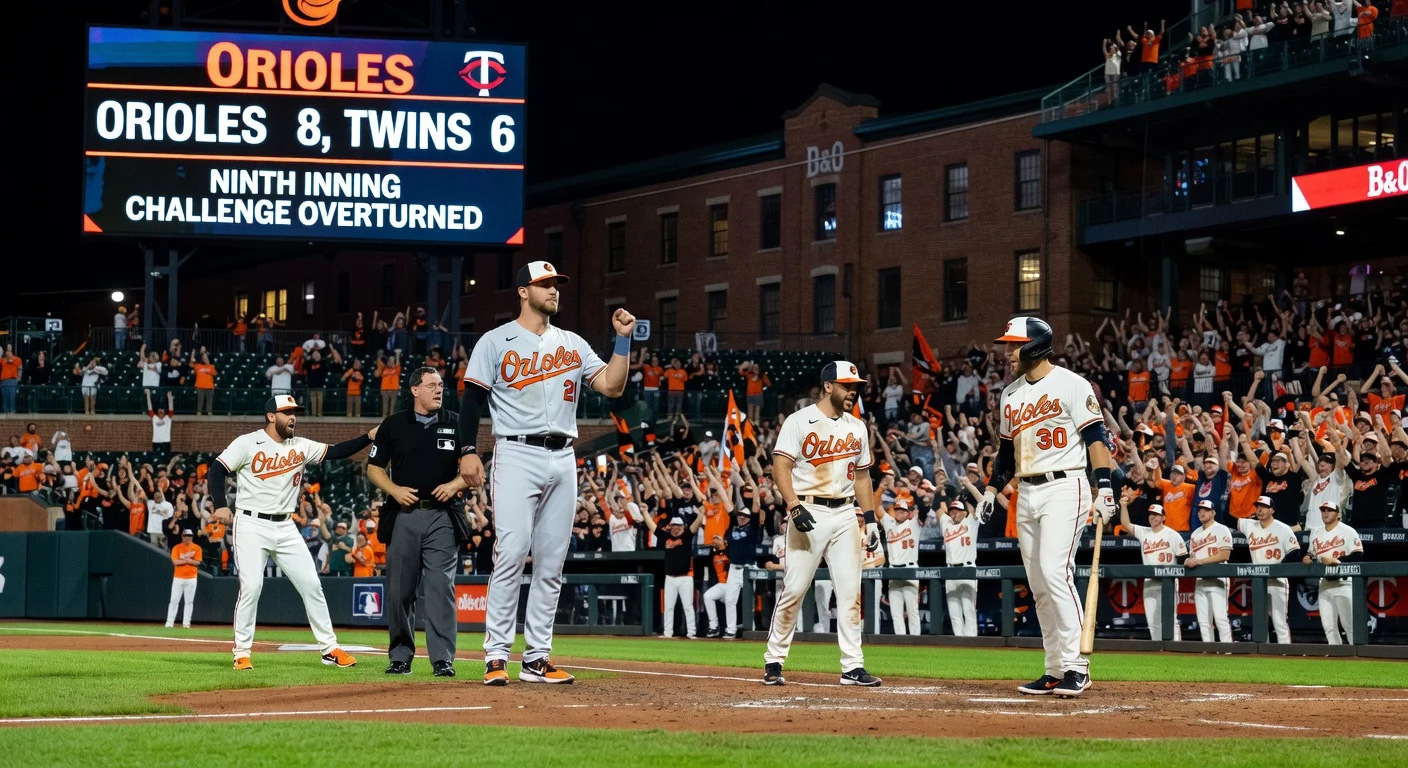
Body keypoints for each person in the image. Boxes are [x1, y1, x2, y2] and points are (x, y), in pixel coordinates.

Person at [457, 260, 634, 686]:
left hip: (563, 456)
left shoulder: (571, 342)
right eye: (545, 284)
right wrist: (466, 450)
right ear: (523, 291)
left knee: (552, 565)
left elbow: (611, 386)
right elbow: (471, 402)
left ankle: (536, 659)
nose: (554, 290)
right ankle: (496, 656)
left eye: (557, 283)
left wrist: (623, 343)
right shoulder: (496, 341)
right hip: (516, 453)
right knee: (512, 554)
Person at [977, 316, 1116, 698]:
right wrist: (991, 491)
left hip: (1065, 485)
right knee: (1039, 585)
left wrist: (1104, 488)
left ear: (1036, 346)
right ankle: (1055, 668)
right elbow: (1007, 451)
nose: (1007, 353)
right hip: (1027, 491)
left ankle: (1078, 666)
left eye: (1013, 345)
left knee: (1056, 573)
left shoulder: (1072, 384)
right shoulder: (1010, 394)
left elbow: (1096, 439)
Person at [210, 394, 375, 670]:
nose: (293, 417)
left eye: (295, 412)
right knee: (251, 587)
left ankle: (329, 648)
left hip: (286, 525)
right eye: (287, 412)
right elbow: (216, 470)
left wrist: (368, 436)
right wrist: (219, 505)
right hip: (250, 523)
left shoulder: (300, 445)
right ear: (271, 416)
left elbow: (336, 451)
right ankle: (241, 652)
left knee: (312, 584)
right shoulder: (248, 442)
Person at [763, 360, 881, 687]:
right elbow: (780, 466)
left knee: (849, 593)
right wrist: (793, 505)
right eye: (847, 386)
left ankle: (852, 666)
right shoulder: (799, 421)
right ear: (828, 385)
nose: (852, 392)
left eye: (855, 386)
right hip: (809, 511)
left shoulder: (857, 427)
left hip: (845, 514)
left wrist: (869, 520)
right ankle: (774, 659)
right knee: (796, 588)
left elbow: (861, 477)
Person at [366, 367, 469, 678]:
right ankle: (400, 656)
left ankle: (442, 659)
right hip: (403, 516)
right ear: (414, 390)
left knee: (441, 589)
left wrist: (454, 485)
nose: (439, 390)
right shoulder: (393, 425)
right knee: (399, 591)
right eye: (431, 385)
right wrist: (394, 489)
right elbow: (374, 468)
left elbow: (473, 469)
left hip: (442, 515)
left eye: (440, 385)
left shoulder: (456, 422)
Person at [1238, 495, 1301, 644]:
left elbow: (1295, 552)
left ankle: (1285, 652)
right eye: (1258, 506)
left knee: (1279, 620)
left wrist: (1279, 567)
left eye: (1264, 507)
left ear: (1272, 510)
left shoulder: (1283, 528)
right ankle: (1262, 652)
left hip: (1277, 580)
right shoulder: (1250, 525)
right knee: (1260, 619)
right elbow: (1229, 519)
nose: (1259, 509)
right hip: (1259, 582)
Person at [1120, 499, 1187, 641]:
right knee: (1152, 622)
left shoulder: (1173, 535)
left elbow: (1183, 561)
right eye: (1151, 514)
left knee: (1170, 618)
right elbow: (1125, 524)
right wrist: (1124, 506)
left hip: (1167, 582)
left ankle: (1176, 649)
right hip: (1150, 582)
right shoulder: (1144, 532)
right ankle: (1159, 651)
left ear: (1163, 517)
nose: (1153, 517)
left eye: (1156, 514)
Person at [1305, 500, 1363, 645]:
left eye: (1329, 510)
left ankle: (1357, 656)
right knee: (1329, 627)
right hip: (1325, 583)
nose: (1325, 513)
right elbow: (1313, 554)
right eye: (1323, 510)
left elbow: (1358, 555)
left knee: (1349, 625)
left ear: (1338, 514)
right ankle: (1337, 658)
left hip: (1344, 582)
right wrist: (1309, 558)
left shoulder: (1348, 531)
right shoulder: (1316, 532)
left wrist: (1336, 560)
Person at [705, 504, 762, 639]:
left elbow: (756, 506)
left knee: (750, 601)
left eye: (745, 516)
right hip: (734, 568)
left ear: (749, 518)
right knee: (730, 600)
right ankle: (731, 629)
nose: (741, 517)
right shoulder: (733, 528)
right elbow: (729, 508)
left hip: (748, 568)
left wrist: (753, 487)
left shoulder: (752, 527)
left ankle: (751, 627)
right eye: (740, 515)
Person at [645, 512, 705, 638]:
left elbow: (696, 524)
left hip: (685, 577)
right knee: (668, 607)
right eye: (673, 525)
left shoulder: (686, 536)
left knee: (688, 606)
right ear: (670, 526)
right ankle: (668, 632)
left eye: (678, 525)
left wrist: (702, 511)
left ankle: (691, 632)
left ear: (682, 527)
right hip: (670, 577)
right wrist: (645, 512)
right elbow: (652, 526)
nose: (675, 528)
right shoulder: (666, 537)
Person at [1186, 499, 1233, 643]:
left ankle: (1227, 650)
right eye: (1199, 510)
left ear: (1213, 513)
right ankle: (1208, 650)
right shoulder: (1195, 533)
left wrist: (1198, 561)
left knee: (1220, 618)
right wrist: (1190, 561)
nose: (1201, 512)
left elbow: (1225, 555)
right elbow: (1193, 558)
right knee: (1204, 621)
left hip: (1218, 578)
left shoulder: (1222, 529)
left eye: (1205, 510)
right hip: (1200, 580)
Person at [878, 497, 921, 635]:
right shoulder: (889, 523)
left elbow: (924, 511)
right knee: (896, 613)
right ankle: (900, 642)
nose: (899, 513)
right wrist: (880, 489)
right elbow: (876, 507)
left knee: (912, 611)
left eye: (903, 511)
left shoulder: (913, 524)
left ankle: (916, 642)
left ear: (908, 513)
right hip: (893, 571)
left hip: (910, 569)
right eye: (897, 510)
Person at [939, 499, 979, 637]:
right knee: (954, 612)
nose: (953, 513)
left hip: (967, 568)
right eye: (951, 511)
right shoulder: (946, 524)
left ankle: (971, 642)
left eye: (956, 510)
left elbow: (978, 505)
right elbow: (938, 506)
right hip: (950, 569)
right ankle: (959, 642)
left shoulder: (970, 522)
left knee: (969, 610)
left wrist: (967, 489)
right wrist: (940, 490)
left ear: (964, 512)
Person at [166, 529, 201, 628]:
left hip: (191, 578)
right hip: (178, 577)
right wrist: (188, 560)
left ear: (192, 537)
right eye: (185, 536)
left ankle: (186, 624)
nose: (187, 538)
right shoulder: (177, 548)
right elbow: (175, 562)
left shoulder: (197, 548)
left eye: (189, 536)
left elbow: (198, 562)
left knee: (189, 602)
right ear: (182, 537)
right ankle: (169, 623)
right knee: (174, 601)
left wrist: (186, 560)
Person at [147, 390, 175, 457]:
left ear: (164, 412)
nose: (160, 410)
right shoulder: (154, 418)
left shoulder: (168, 418)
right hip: (156, 441)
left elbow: (171, 409)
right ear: (157, 412)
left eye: (162, 410)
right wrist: (148, 395)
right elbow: (150, 408)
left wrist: (169, 398)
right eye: (159, 410)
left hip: (166, 441)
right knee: (155, 457)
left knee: (167, 457)